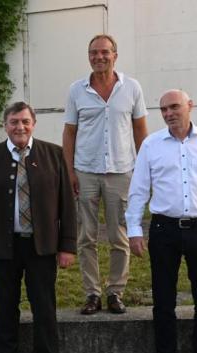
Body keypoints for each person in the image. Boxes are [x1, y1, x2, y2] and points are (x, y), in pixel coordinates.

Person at [0, 102, 76, 353]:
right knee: (6, 307)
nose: (20, 127)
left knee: (44, 307)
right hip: (3, 247)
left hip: (42, 247)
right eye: (14, 122)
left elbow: (67, 204)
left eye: (25, 121)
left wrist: (68, 246)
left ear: (34, 124)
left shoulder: (53, 155)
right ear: (5, 125)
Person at [126, 90, 197, 353]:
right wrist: (135, 230)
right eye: (163, 109)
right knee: (163, 301)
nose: (168, 113)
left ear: (190, 106)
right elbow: (138, 190)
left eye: (174, 107)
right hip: (164, 231)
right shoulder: (151, 145)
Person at [62, 34, 148, 315]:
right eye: (94, 53)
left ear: (115, 55)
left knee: (118, 235)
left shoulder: (131, 88)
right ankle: (92, 293)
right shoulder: (77, 90)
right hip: (85, 171)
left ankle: (115, 292)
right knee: (86, 236)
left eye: (104, 52)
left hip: (121, 171)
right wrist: (70, 170)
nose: (99, 57)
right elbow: (70, 132)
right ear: (89, 56)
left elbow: (139, 130)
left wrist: (143, 169)